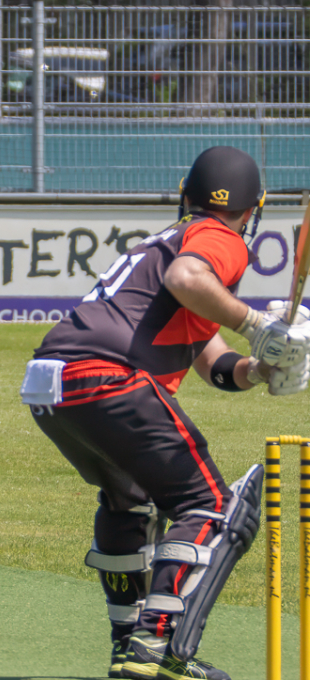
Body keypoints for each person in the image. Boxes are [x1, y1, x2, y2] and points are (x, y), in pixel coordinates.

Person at [19, 146, 310, 680]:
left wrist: (258, 367)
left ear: (185, 190)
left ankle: (128, 646)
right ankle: (158, 650)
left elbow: (214, 363)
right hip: (111, 376)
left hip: (53, 383)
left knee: (131, 502)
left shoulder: (155, 246)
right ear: (253, 210)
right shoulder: (217, 240)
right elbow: (187, 279)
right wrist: (255, 324)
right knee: (214, 508)